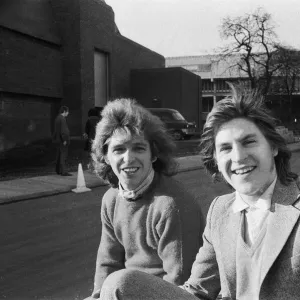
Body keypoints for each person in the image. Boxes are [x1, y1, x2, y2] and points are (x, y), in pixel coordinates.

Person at [98, 84, 300, 300]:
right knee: (120, 284)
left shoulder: (294, 211)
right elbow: (198, 291)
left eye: (248, 142)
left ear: (274, 147)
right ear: (216, 160)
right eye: (225, 148)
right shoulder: (220, 210)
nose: (238, 157)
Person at [87, 98, 204, 299]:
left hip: (168, 293)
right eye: (118, 149)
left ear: (154, 154)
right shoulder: (111, 200)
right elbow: (108, 262)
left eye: (139, 148)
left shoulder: (171, 205)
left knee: (120, 283)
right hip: (124, 293)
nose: (129, 158)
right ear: (106, 156)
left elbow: (180, 283)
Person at [52, 105, 71, 176]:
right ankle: (63, 171)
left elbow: (56, 130)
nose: (68, 113)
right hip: (62, 141)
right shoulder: (62, 119)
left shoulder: (57, 118)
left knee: (59, 155)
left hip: (57, 140)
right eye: (67, 112)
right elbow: (64, 131)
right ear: (65, 111)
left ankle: (58, 170)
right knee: (63, 156)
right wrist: (65, 140)